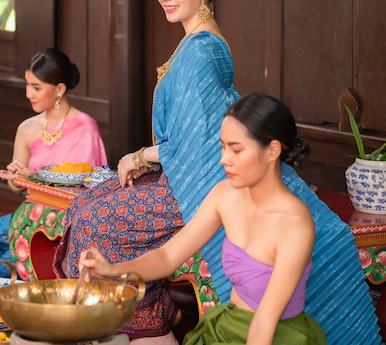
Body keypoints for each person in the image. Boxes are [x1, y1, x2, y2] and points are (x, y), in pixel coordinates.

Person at [53, 0, 381, 345]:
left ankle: (143, 326)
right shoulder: (196, 42)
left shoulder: (202, 52)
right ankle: (139, 321)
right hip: (186, 169)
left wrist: (141, 155)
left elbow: (201, 142)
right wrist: (146, 159)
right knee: (88, 202)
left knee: (96, 218)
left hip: (196, 179)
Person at [80, 93, 327, 345]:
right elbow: (166, 257)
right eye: (222, 147)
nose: (224, 159)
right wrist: (113, 270)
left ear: (272, 150)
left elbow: (265, 321)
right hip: (227, 327)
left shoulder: (295, 223)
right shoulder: (225, 195)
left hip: (278, 336)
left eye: (236, 149)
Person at [0, 48, 107, 279]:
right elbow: (18, 186)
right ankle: (24, 268)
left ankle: (29, 269)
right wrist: (17, 177)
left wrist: (32, 176)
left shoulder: (85, 127)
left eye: (36, 87)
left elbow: (88, 189)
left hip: (66, 225)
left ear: (60, 89)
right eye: (27, 85)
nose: (28, 93)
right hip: (29, 216)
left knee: (20, 264)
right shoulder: (27, 128)